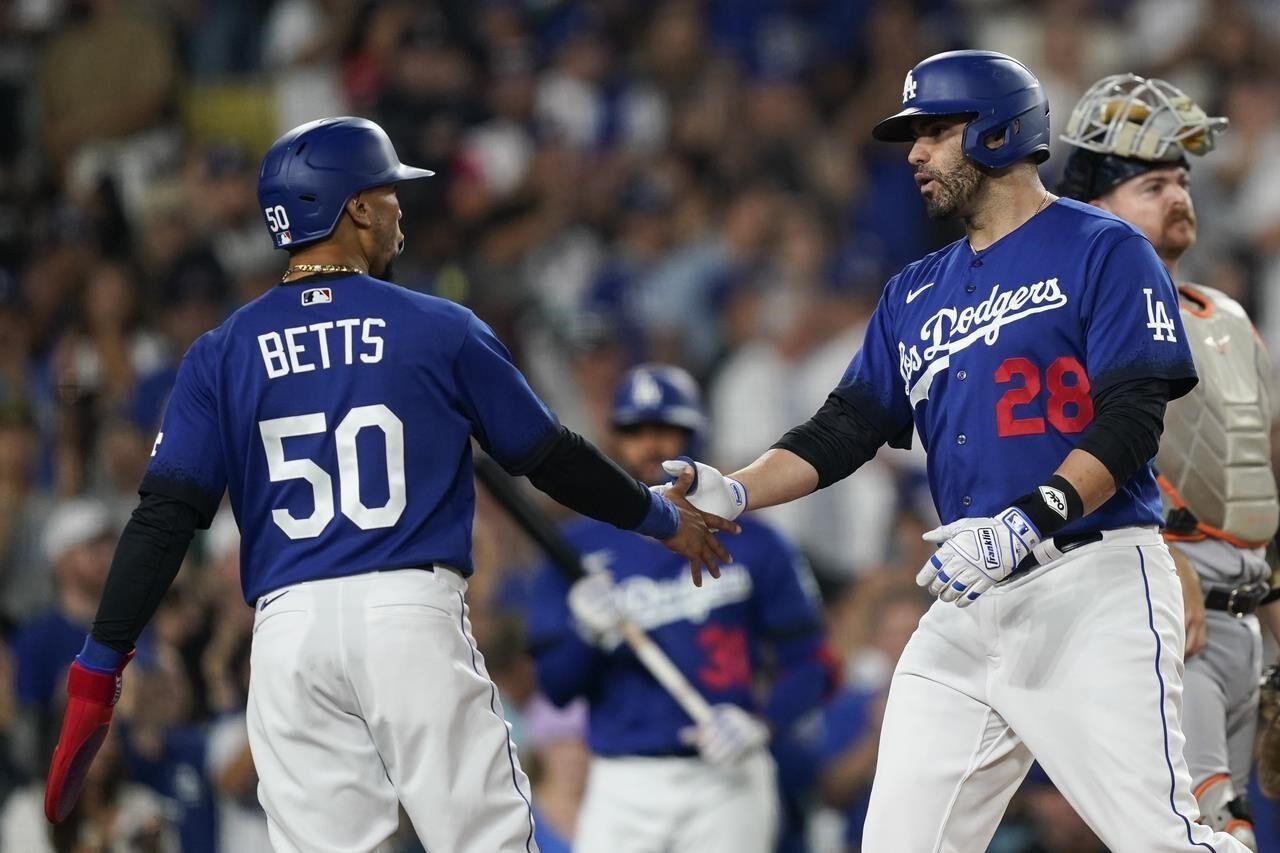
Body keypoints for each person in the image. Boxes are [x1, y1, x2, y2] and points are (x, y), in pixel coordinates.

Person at [41, 116, 738, 853]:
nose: (401, 207)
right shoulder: (437, 326)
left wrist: (98, 665)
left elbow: (163, 520)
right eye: (389, 191)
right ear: (357, 208)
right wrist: (659, 517)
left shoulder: (222, 351)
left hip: (288, 635)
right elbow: (550, 456)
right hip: (407, 614)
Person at [668, 50, 1254, 851]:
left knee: (1160, 839)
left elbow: (1129, 422)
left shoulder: (1104, 247)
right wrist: (733, 490)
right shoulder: (915, 288)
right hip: (971, 598)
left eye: (935, 131)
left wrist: (1024, 522)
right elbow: (845, 426)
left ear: (999, 132)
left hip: (1092, 583)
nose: (914, 152)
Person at [1059, 73, 1280, 850]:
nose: (1178, 196)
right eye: (1152, 183)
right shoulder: (1071, 314)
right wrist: (1154, 555)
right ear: (1095, 202)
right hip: (1160, 609)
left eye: (1181, 181)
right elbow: (1066, 457)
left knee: (1227, 829)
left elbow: (1260, 478)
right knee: (1203, 833)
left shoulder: (1224, 315)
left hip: (1247, 618)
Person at [525, 364, 837, 853]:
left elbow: (813, 663)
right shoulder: (575, 550)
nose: (651, 446)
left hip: (727, 774)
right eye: (635, 431)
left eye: (666, 429)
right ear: (614, 440)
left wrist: (763, 720)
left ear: (696, 432)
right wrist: (583, 633)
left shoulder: (755, 542)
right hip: (622, 781)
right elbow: (558, 688)